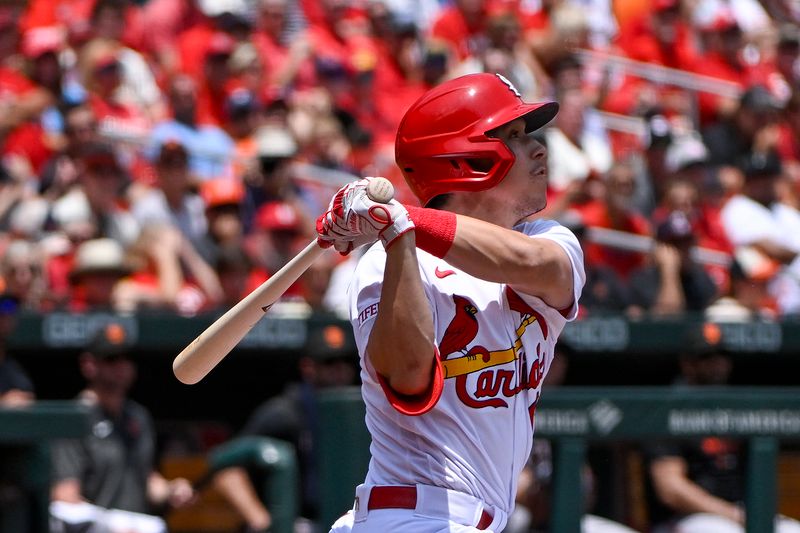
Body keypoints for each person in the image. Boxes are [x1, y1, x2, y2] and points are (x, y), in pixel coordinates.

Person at [315, 72, 585, 532]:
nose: (538, 149)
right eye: (513, 137)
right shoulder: (389, 263)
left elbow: (534, 265)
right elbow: (409, 382)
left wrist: (403, 220)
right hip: (411, 516)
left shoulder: (548, 239)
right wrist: (399, 237)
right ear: (462, 158)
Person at [645, 323, 800, 533]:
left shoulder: (737, 405)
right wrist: (732, 514)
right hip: (686, 519)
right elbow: (670, 490)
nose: (717, 365)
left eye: (721, 357)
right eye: (707, 358)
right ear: (687, 364)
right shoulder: (669, 408)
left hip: (738, 513)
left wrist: (751, 514)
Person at [212, 323, 359, 532]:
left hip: (349, 521)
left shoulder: (361, 410)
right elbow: (227, 469)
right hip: (298, 524)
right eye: (329, 362)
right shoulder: (285, 413)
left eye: (346, 361)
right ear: (308, 368)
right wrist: (259, 517)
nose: (340, 370)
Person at [50, 322, 195, 533]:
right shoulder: (74, 418)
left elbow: (146, 479)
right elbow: (64, 496)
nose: (121, 367)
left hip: (137, 525)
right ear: (89, 364)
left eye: (126, 358)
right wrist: (109, 525)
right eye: (112, 359)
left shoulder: (138, 417)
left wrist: (171, 489)